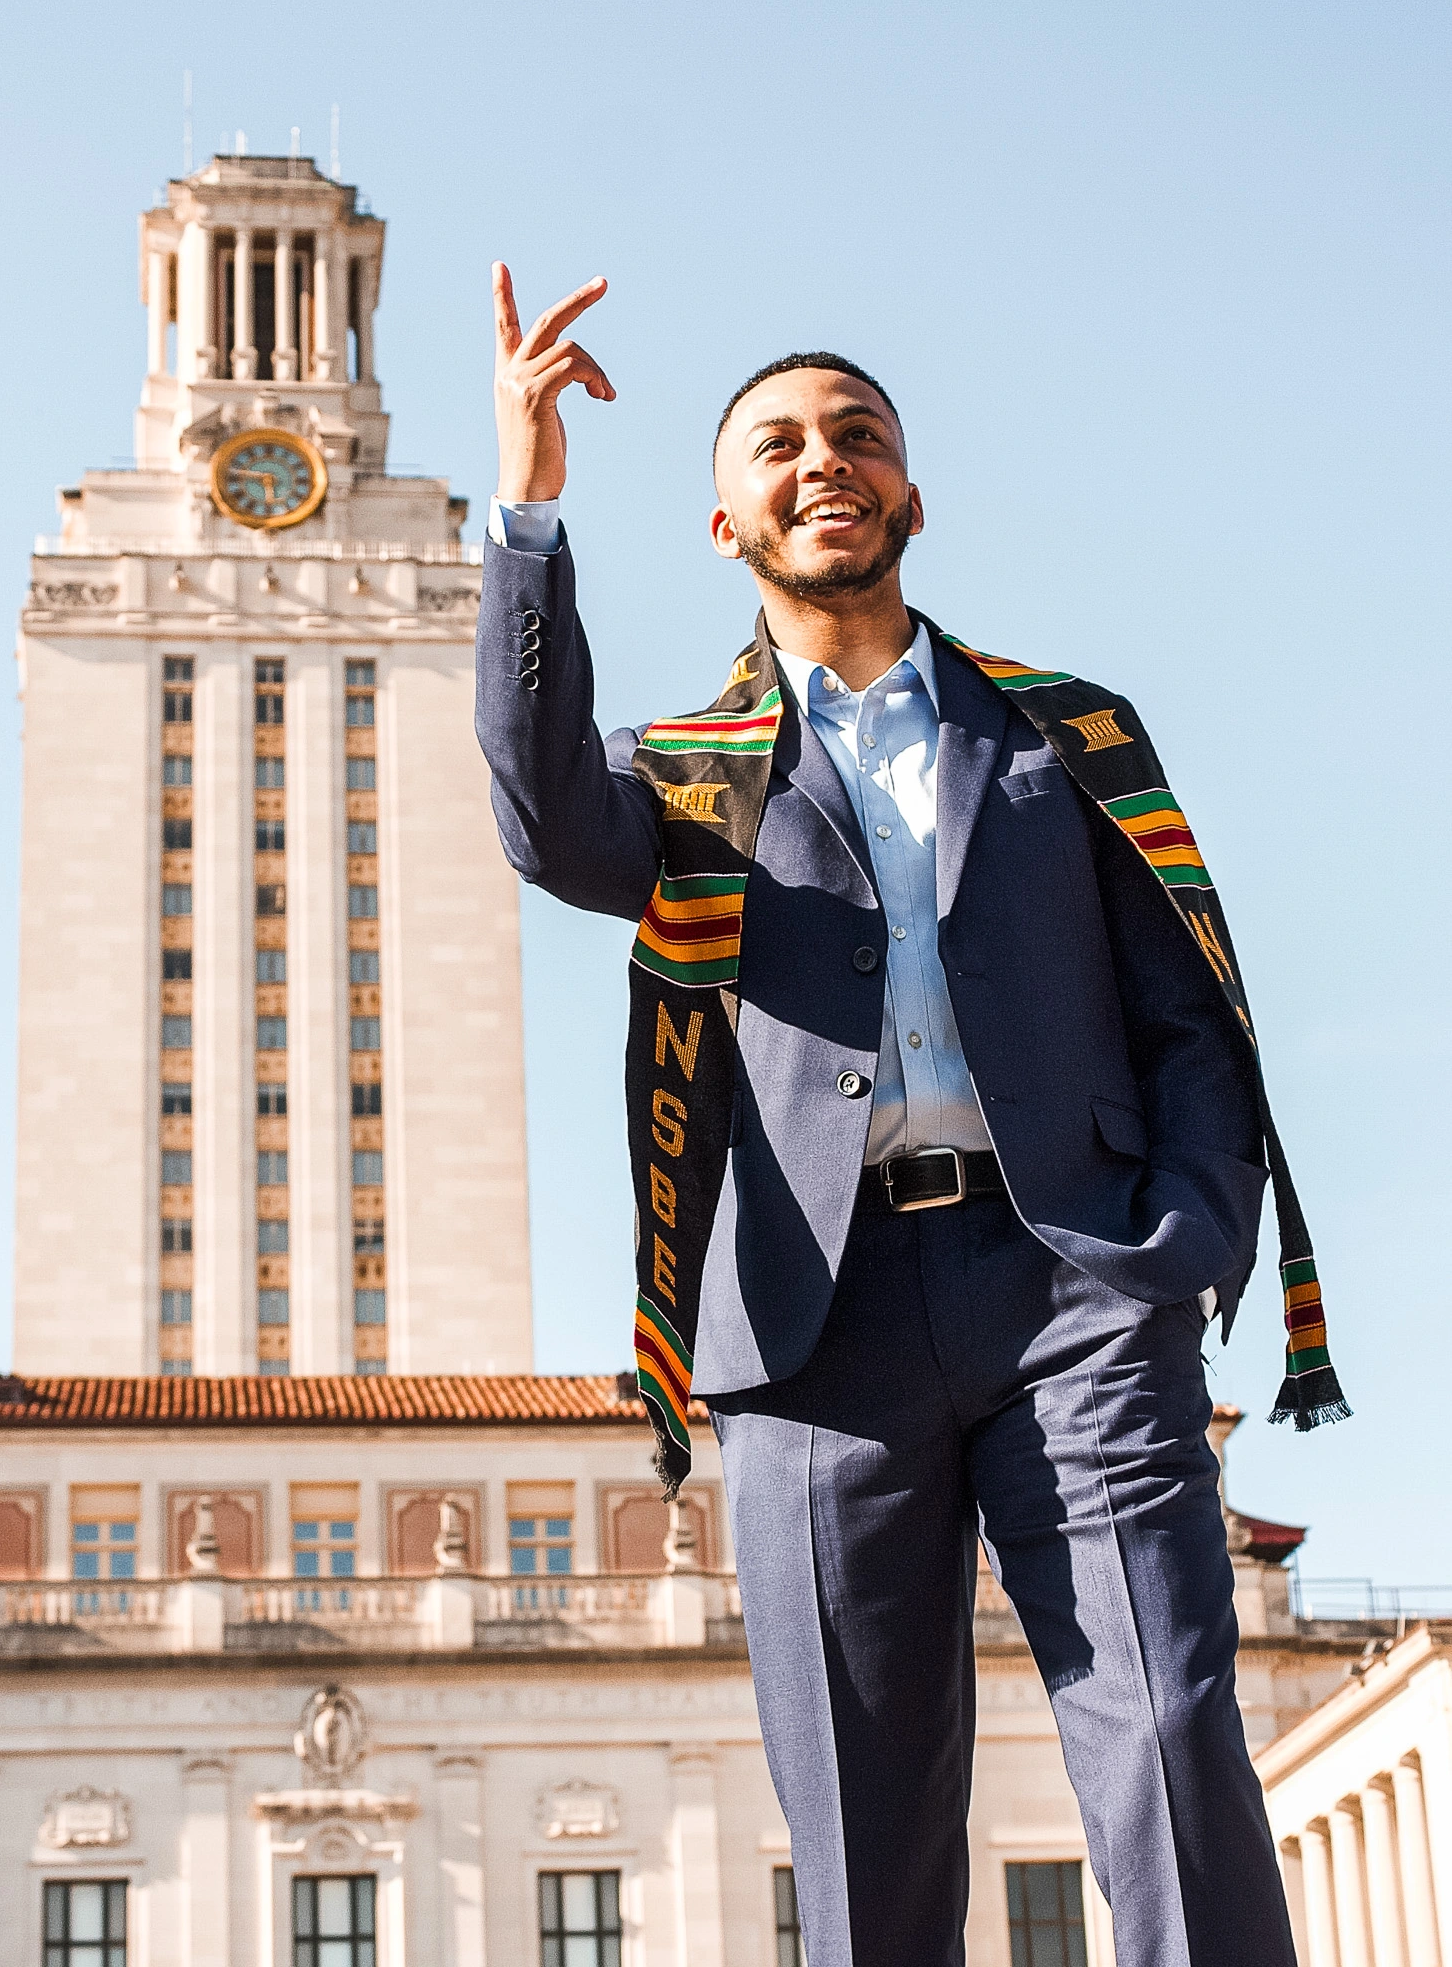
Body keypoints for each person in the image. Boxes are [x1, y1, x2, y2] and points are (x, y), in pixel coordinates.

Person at [473, 266, 1323, 1967]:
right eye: (777, 445)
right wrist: (526, 509)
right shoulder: (691, 768)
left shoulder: (1065, 735)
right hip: (811, 1327)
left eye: (856, 435)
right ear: (726, 522)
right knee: (862, 1811)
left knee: (1162, 1724)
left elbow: (1189, 1009)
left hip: (1072, 1288)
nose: (821, 460)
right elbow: (544, 823)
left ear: (909, 494)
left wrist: (1185, 1236)